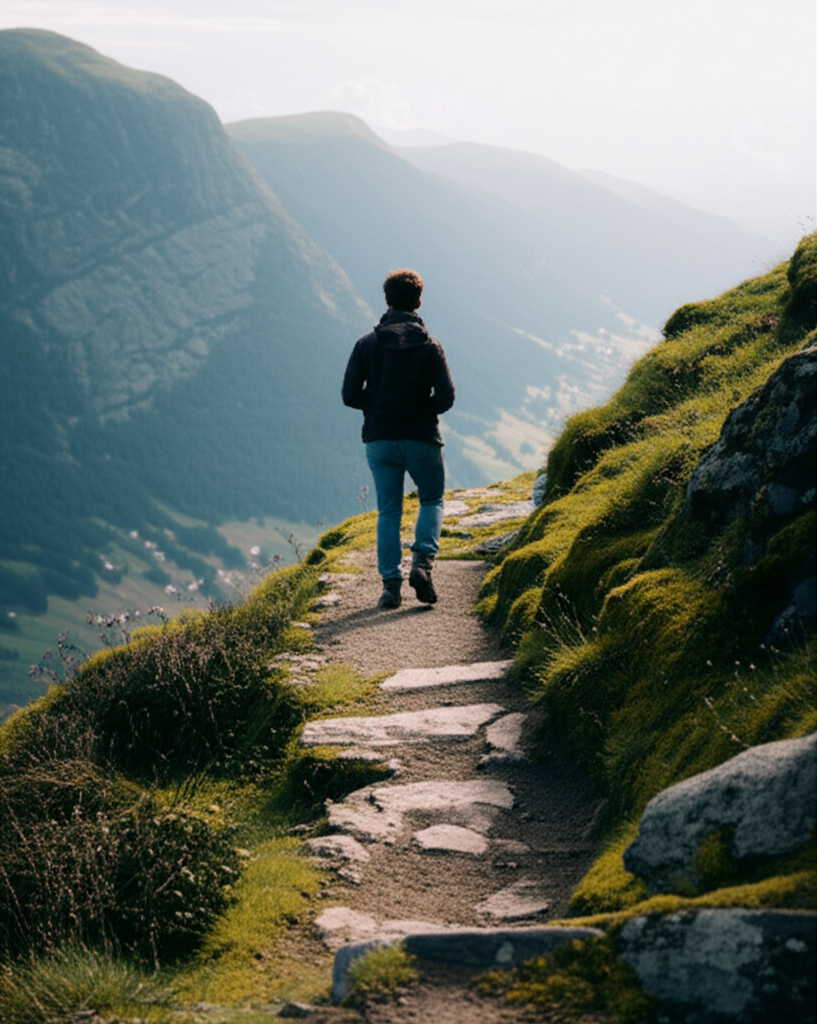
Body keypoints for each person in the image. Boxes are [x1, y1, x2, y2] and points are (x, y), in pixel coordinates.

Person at [342, 269, 455, 609]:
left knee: (389, 511)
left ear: (387, 300)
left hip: (380, 439)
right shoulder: (431, 345)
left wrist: (377, 408)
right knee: (432, 499)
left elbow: (349, 394)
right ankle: (422, 564)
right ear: (418, 301)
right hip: (422, 437)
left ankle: (390, 587)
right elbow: (447, 398)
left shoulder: (366, 344)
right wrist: (422, 411)